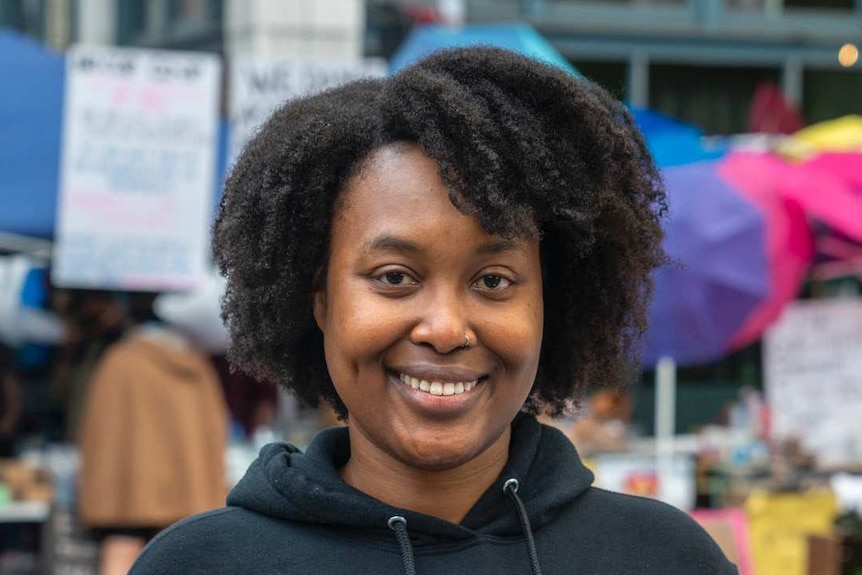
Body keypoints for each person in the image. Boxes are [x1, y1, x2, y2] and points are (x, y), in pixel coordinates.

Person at [131, 47, 737, 574]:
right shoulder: (200, 565)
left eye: (494, 280)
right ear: (319, 298)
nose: (446, 328)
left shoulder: (666, 559)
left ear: (551, 301)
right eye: (394, 278)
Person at [78, 294, 228, 575]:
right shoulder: (197, 367)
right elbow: (213, 432)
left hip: (127, 492)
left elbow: (101, 433)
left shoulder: (120, 361)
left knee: (121, 546)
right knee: (183, 559)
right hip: (187, 492)